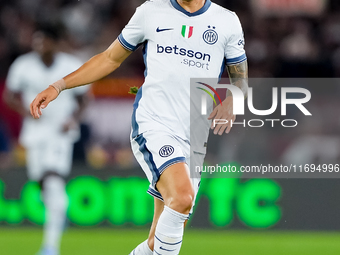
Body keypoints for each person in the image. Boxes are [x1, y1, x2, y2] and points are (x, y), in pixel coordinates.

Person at [30, 0, 248, 254]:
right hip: (155, 123)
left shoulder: (227, 21)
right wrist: (58, 86)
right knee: (182, 198)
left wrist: (235, 98)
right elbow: (110, 58)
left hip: (195, 135)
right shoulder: (150, 12)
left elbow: (240, 76)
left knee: (162, 235)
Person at [4, 24, 88, 255]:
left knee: (52, 181)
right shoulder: (23, 65)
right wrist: (26, 113)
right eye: (36, 41)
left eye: (44, 41)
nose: (39, 46)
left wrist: (73, 119)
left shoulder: (70, 66)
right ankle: (61, 208)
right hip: (35, 133)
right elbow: (9, 96)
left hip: (60, 134)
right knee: (42, 184)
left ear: (55, 42)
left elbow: (84, 99)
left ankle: (50, 247)